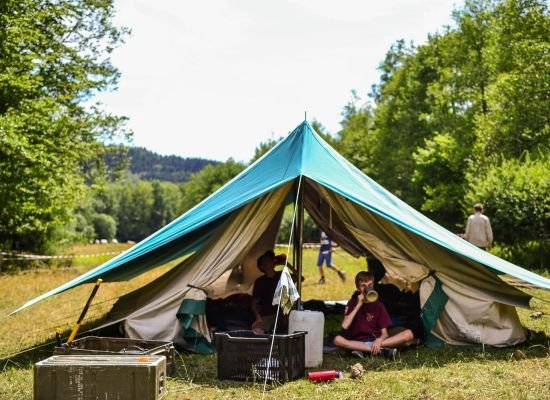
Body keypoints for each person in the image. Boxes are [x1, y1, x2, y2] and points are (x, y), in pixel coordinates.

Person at [333, 271, 415, 358]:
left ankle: (364, 350)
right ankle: (382, 351)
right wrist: (358, 306)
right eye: (363, 286)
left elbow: (385, 333)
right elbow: (344, 326)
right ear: (358, 288)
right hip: (358, 342)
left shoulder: (378, 305)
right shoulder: (352, 303)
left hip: (375, 341)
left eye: (370, 285)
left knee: (408, 334)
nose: (367, 288)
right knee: (337, 340)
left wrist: (379, 340)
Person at [250, 250, 299, 334]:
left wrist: (287, 265)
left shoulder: (282, 275)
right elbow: (254, 303)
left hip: (284, 313)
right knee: (256, 331)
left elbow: (300, 278)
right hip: (269, 314)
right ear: (262, 266)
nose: (271, 262)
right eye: (267, 261)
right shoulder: (260, 281)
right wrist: (258, 317)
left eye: (271, 260)